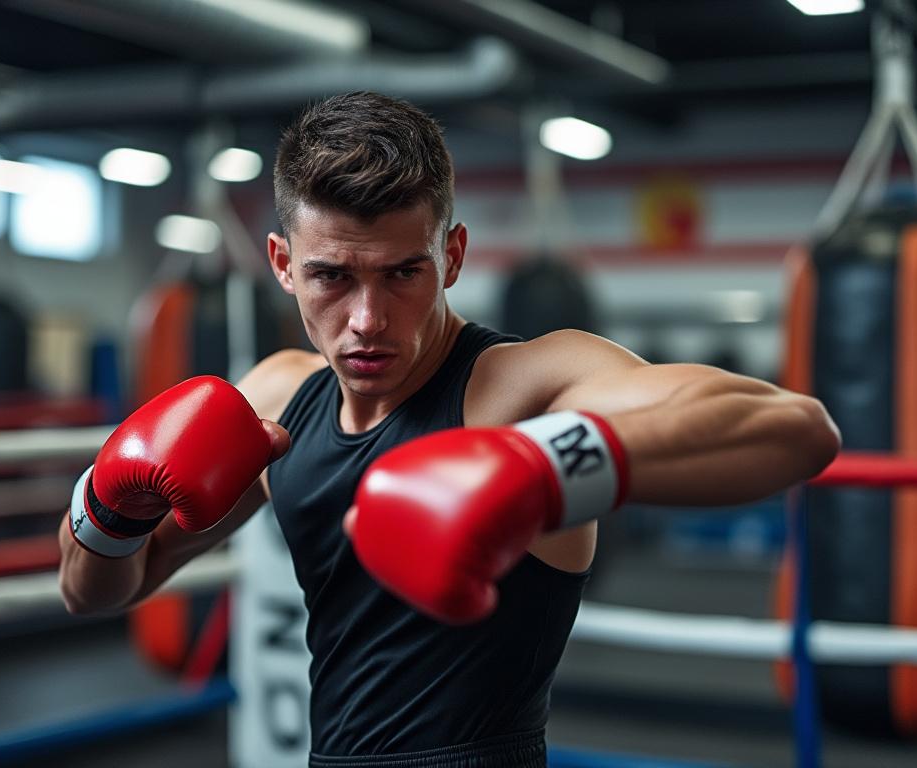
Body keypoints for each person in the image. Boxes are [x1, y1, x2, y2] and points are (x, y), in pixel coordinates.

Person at [58, 91, 841, 768]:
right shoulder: (277, 402)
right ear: (282, 263)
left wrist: (542, 468)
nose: (367, 321)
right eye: (332, 276)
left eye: (404, 273)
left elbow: (795, 428)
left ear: (454, 254)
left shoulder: (522, 387)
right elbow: (94, 592)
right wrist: (107, 508)